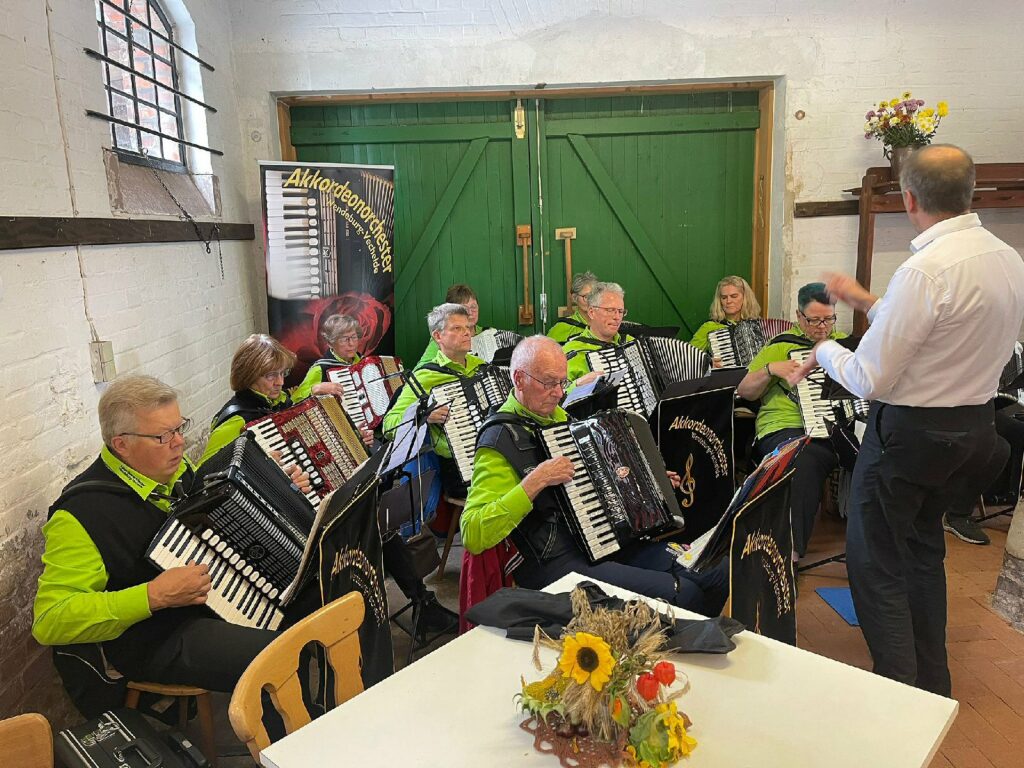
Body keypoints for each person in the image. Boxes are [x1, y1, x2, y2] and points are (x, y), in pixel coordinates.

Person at [790, 144, 1024, 695]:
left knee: (874, 561)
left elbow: (870, 378)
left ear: (909, 198)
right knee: (922, 550)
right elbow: (942, 330)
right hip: (972, 430)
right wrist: (868, 299)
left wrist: (820, 354)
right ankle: (932, 682)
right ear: (970, 193)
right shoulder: (1006, 257)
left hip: (913, 435)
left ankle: (897, 689)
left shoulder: (925, 270)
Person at [32, 376, 300, 713]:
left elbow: (212, 511)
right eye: (163, 436)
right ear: (121, 444)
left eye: (179, 428)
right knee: (280, 659)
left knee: (315, 607)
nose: (180, 443)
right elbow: (50, 620)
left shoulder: (175, 470)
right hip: (155, 636)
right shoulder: (79, 514)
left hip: (212, 597)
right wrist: (152, 596)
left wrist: (276, 485)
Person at [460, 336, 728, 615]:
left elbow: (604, 484)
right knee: (685, 594)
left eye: (562, 383)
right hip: (556, 563)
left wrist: (651, 485)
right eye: (549, 383)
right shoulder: (498, 442)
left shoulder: (562, 420)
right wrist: (535, 481)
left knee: (715, 573)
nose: (558, 393)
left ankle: (686, 639)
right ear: (519, 378)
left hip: (608, 541)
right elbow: (473, 533)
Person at [735, 282, 846, 560]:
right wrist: (771, 370)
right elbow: (744, 390)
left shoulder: (843, 344)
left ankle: (879, 551)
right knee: (803, 458)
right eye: (814, 320)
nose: (822, 327)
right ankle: (790, 553)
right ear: (799, 317)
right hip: (783, 427)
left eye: (828, 319)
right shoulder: (782, 346)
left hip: (836, 430)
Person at [383, 303, 487, 496]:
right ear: (438, 336)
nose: (467, 333)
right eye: (457, 328)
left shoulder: (482, 367)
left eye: (468, 327)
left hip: (490, 455)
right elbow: (388, 427)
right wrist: (423, 415)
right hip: (459, 467)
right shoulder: (425, 376)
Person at [200, 334, 306, 464]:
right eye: (271, 376)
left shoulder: (279, 402)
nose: (281, 382)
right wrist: (257, 464)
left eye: (283, 373)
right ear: (249, 376)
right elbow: (204, 476)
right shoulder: (237, 420)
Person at [563, 281, 633, 384]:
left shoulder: (632, 343)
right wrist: (577, 385)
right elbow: (555, 395)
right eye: (610, 310)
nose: (617, 317)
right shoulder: (572, 351)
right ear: (591, 312)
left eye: (620, 311)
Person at [690, 276, 764, 366]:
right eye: (724, 297)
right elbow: (688, 358)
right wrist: (707, 363)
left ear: (745, 298)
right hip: (726, 378)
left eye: (734, 296)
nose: (728, 301)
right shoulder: (710, 327)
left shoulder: (759, 326)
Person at [292, 314, 364, 402]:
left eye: (354, 337)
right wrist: (315, 389)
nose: (351, 344)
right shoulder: (320, 369)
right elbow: (294, 400)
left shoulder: (364, 362)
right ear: (330, 343)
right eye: (344, 339)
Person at [415, 284, 484, 368]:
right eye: (464, 308)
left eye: (473, 307)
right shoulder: (443, 338)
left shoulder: (489, 333)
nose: (470, 312)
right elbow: (421, 368)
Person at [547, 271, 599, 344]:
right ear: (574, 298)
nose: (591, 301)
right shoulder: (562, 328)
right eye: (586, 297)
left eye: (593, 296)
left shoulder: (604, 324)